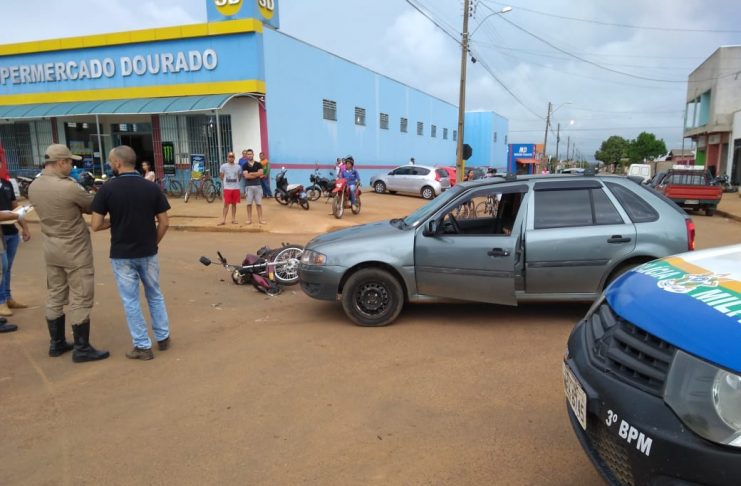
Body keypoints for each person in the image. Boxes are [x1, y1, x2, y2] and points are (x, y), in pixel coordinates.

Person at [28, 144, 110, 362]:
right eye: (70, 162)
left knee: (55, 294)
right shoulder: (68, 187)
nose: (72, 166)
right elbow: (92, 206)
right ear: (61, 162)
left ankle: (56, 343)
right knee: (81, 296)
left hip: (51, 248)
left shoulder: (34, 186)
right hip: (75, 249)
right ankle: (82, 349)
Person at [91, 145, 171, 361]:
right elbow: (164, 223)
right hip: (148, 251)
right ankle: (163, 337)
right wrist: (153, 243)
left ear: (117, 163)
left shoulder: (107, 189)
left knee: (131, 300)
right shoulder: (151, 188)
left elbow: (95, 225)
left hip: (122, 254)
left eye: (110, 162)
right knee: (155, 294)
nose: (110, 165)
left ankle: (142, 346)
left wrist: (114, 221)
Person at [0, 162, 31, 317]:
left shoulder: (7, 184)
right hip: (0, 235)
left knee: (7, 268)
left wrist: (24, 227)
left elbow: (15, 207)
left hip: (11, 232)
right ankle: (1, 302)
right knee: (2, 268)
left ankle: (7, 297)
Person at [242, 149, 265, 225]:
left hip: (258, 186)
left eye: (250, 154)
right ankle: (249, 219)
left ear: (253, 154)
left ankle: (260, 219)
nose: (249, 155)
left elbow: (261, 173)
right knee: (249, 204)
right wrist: (256, 174)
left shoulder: (258, 164)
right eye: (248, 154)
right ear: (246, 156)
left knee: (259, 204)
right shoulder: (245, 165)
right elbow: (246, 176)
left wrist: (251, 173)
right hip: (248, 187)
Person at [218, 152, 241, 225]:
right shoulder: (223, 166)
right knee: (226, 204)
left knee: (234, 204)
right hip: (227, 188)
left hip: (236, 188)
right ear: (227, 157)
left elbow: (239, 177)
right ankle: (223, 220)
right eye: (229, 156)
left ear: (234, 158)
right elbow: (221, 176)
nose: (231, 158)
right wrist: (226, 183)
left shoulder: (238, 167)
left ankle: (233, 219)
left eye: (232, 156)